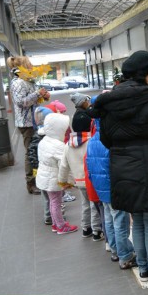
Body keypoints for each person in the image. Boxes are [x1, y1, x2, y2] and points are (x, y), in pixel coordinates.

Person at [87, 50, 148, 285]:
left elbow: (106, 138)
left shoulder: (110, 100)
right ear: (144, 74)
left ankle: (145, 268)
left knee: (137, 219)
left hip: (120, 163)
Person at [86, 95, 136, 266]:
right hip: (113, 188)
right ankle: (125, 255)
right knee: (120, 221)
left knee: (108, 219)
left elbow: (89, 164)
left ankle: (114, 249)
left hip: (100, 188)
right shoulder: (110, 139)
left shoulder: (92, 140)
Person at [58, 96, 104, 242]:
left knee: (84, 204)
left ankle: (86, 228)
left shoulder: (68, 146)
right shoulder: (90, 142)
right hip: (91, 180)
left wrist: (62, 181)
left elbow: (63, 165)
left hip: (78, 181)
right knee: (94, 204)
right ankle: (97, 231)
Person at [8, 55, 50, 194]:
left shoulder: (26, 80)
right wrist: (37, 93)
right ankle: (30, 183)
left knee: (34, 150)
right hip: (26, 123)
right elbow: (21, 102)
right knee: (30, 152)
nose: (32, 66)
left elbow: (31, 101)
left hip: (32, 120)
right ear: (23, 66)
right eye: (29, 64)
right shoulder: (18, 82)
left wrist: (41, 96)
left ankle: (36, 180)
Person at [35, 113, 79, 235]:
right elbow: (64, 166)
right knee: (56, 202)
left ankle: (55, 223)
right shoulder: (58, 146)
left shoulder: (44, 140)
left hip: (45, 176)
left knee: (52, 201)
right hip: (54, 178)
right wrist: (67, 182)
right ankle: (61, 226)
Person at [28, 107, 54, 226]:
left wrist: (35, 168)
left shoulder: (35, 136)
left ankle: (48, 215)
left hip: (37, 170)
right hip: (44, 170)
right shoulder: (44, 137)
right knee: (51, 195)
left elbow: (31, 154)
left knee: (45, 195)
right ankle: (51, 215)